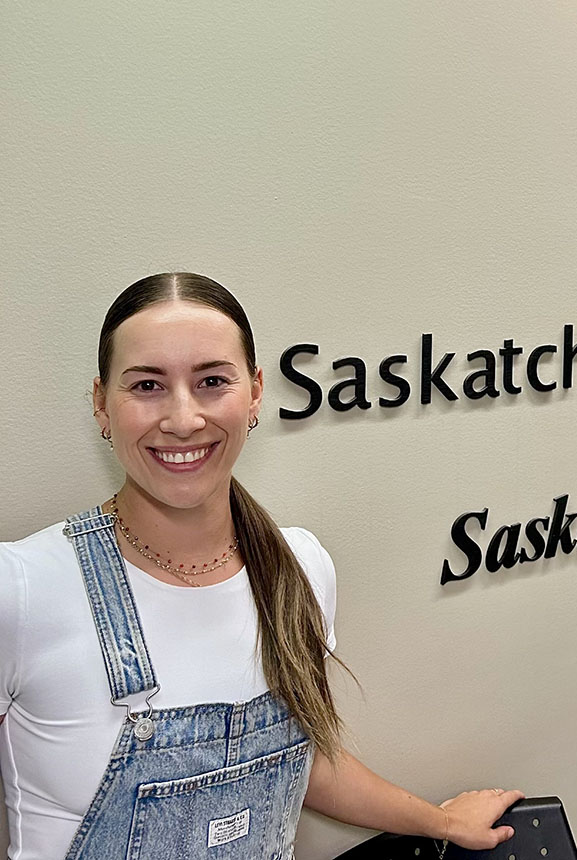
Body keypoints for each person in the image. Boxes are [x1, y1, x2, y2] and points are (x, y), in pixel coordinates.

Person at [0, 272, 522, 859]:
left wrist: (442, 823)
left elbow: (307, 761)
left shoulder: (300, 566)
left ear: (253, 393)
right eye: (147, 385)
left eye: (211, 382)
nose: (182, 418)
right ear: (101, 403)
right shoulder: (22, 587)